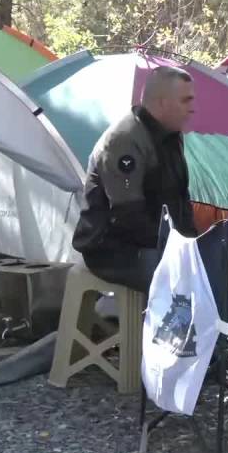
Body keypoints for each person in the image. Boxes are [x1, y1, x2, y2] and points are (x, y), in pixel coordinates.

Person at [72, 66, 197, 292]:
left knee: (211, 268)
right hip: (112, 248)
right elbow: (128, 216)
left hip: (156, 243)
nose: (192, 108)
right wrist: (174, 249)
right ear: (162, 103)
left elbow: (181, 197)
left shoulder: (171, 136)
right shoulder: (124, 140)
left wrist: (192, 244)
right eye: (185, 100)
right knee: (182, 280)